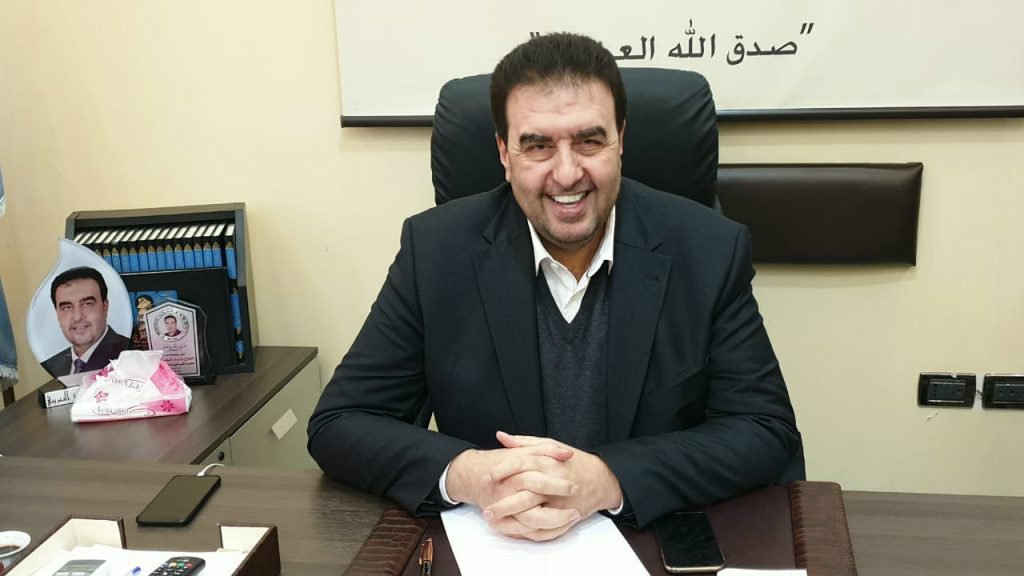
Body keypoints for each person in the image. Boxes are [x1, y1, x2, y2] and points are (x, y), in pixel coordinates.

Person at [308, 32, 801, 542]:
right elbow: (341, 422)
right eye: (538, 145)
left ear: (621, 140)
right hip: (497, 544)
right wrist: (473, 475)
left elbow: (765, 431)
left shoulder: (707, 249)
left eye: (589, 141)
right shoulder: (435, 252)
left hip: (648, 541)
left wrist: (609, 479)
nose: (566, 174)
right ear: (504, 152)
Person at [42, 266, 130, 377]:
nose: (77, 317)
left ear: (105, 306)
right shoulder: (52, 365)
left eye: (87, 304)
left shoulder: (130, 355)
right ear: (57, 313)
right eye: (67, 307)